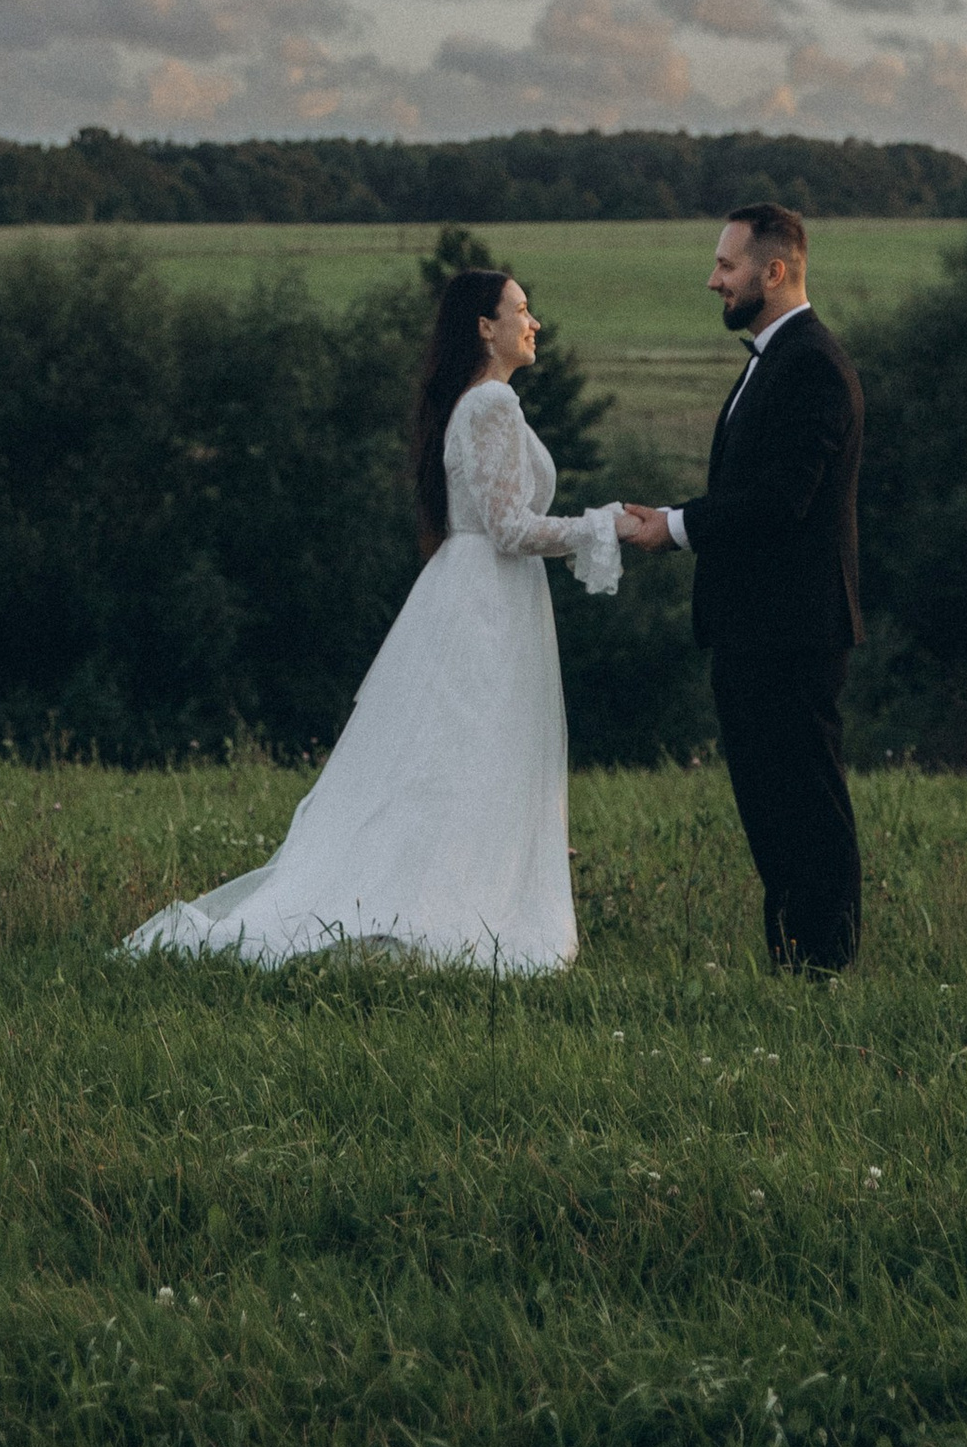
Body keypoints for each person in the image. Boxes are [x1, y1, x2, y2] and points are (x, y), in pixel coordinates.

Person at [122, 266, 624, 972]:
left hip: (480, 593)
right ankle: (453, 908)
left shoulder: (479, 403)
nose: (532, 321)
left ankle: (457, 896)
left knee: (464, 755)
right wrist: (601, 527)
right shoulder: (491, 407)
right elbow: (509, 528)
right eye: (521, 308)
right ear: (485, 326)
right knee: (471, 751)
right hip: (486, 600)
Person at [620, 203, 863, 973]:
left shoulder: (812, 363)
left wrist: (675, 526)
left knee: (805, 807)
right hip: (755, 628)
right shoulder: (772, 359)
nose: (713, 278)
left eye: (727, 266)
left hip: (793, 630)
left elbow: (783, 498)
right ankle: (793, 965)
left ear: (774, 270)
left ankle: (823, 970)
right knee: (771, 808)